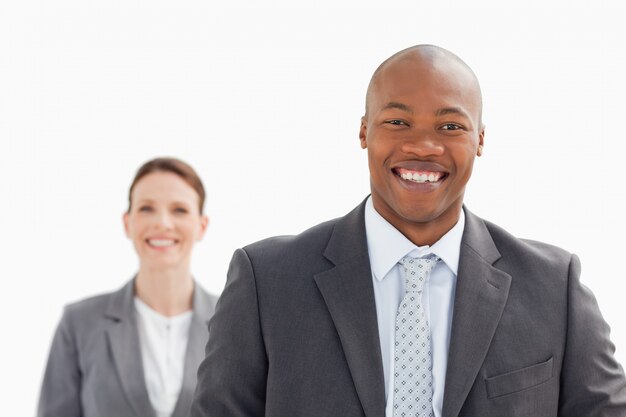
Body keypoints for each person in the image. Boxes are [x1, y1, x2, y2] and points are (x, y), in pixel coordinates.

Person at [191, 45, 626, 416]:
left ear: (480, 139)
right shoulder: (266, 281)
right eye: (398, 122)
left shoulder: (554, 286)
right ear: (364, 131)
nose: (423, 145)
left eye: (450, 126)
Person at [38, 157, 217, 417]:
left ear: (201, 226)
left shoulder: (233, 321)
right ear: (127, 222)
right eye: (146, 208)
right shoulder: (79, 323)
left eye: (179, 209)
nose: (163, 223)